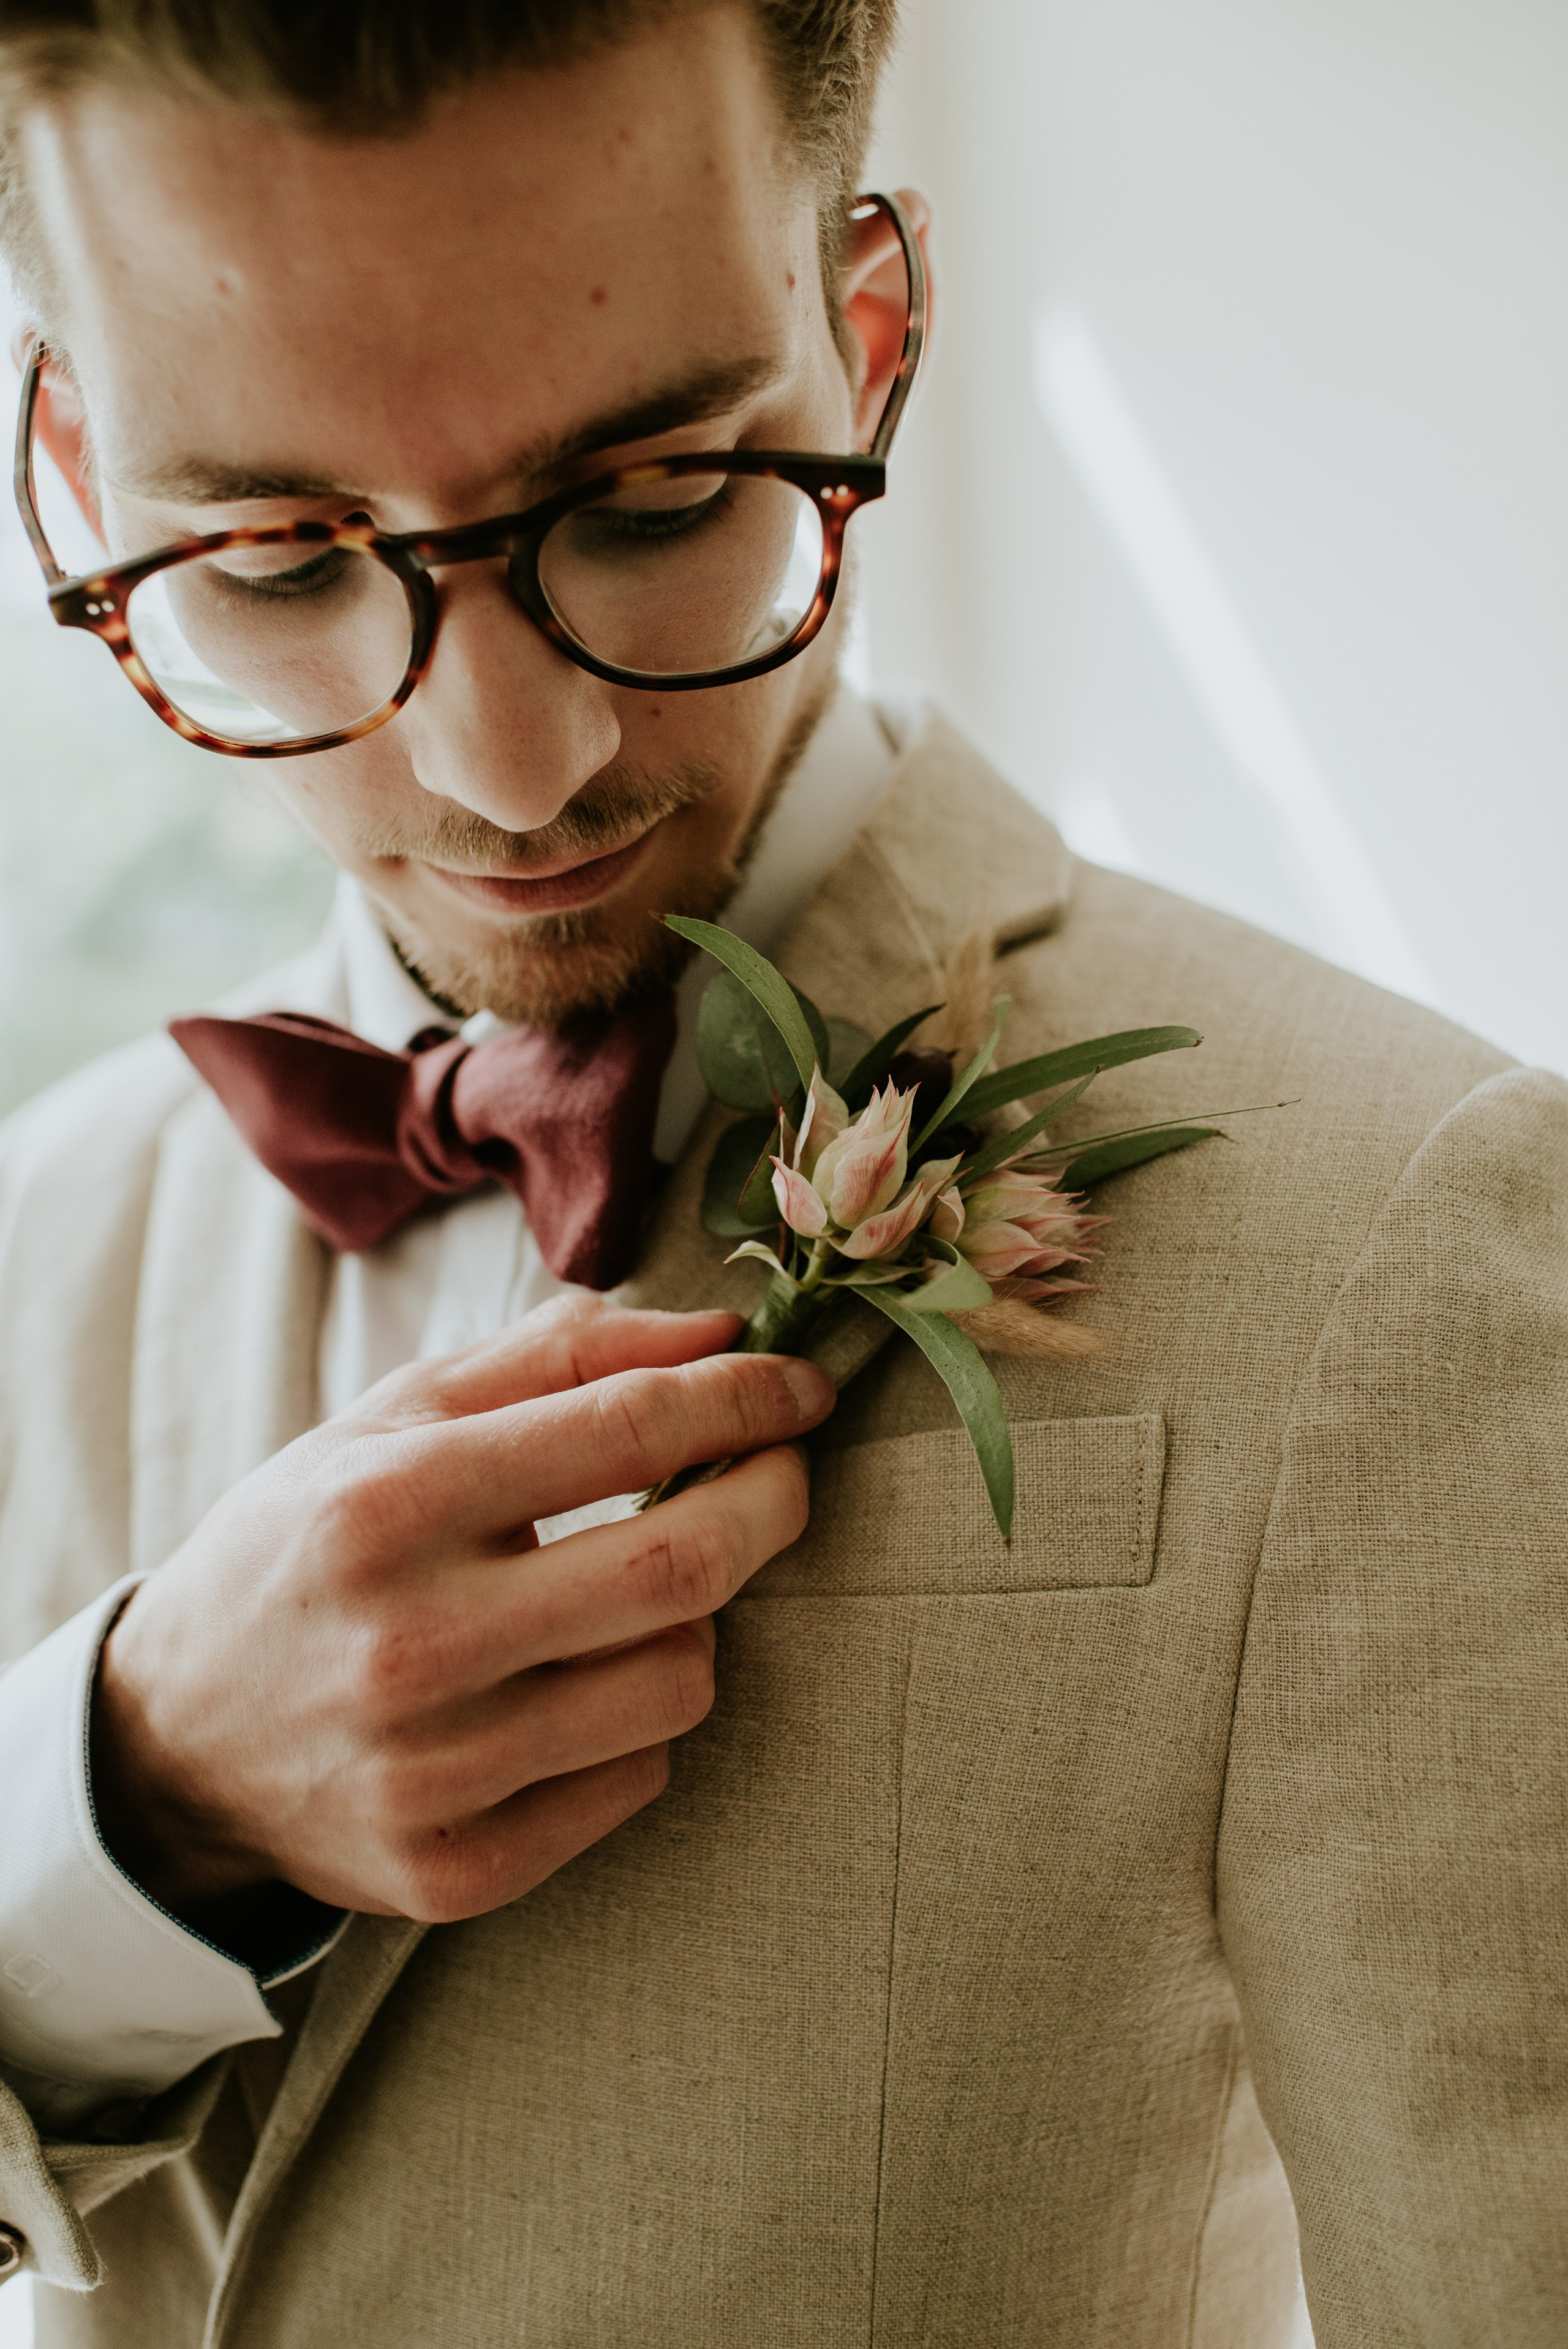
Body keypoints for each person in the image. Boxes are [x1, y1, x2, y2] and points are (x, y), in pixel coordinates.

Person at [0, 3, 1564, 2342]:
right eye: (277, 556)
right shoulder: (35, 1238)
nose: (510, 771)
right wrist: (124, 1802)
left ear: (867, 335)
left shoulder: (1393, 1224)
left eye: (649, 500)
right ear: (77, 475)